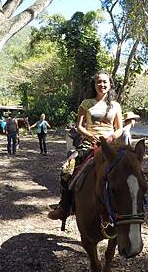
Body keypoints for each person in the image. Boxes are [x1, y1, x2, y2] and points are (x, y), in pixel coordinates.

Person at [48, 72, 123, 221]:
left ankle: (129, 207)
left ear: (110, 85)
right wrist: (89, 135)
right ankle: (65, 207)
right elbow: (79, 126)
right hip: (89, 144)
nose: (102, 85)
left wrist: (112, 136)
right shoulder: (86, 103)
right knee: (67, 170)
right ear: (94, 85)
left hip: (110, 145)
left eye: (105, 82)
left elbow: (119, 128)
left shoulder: (116, 106)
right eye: (99, 82)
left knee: (129, 170)